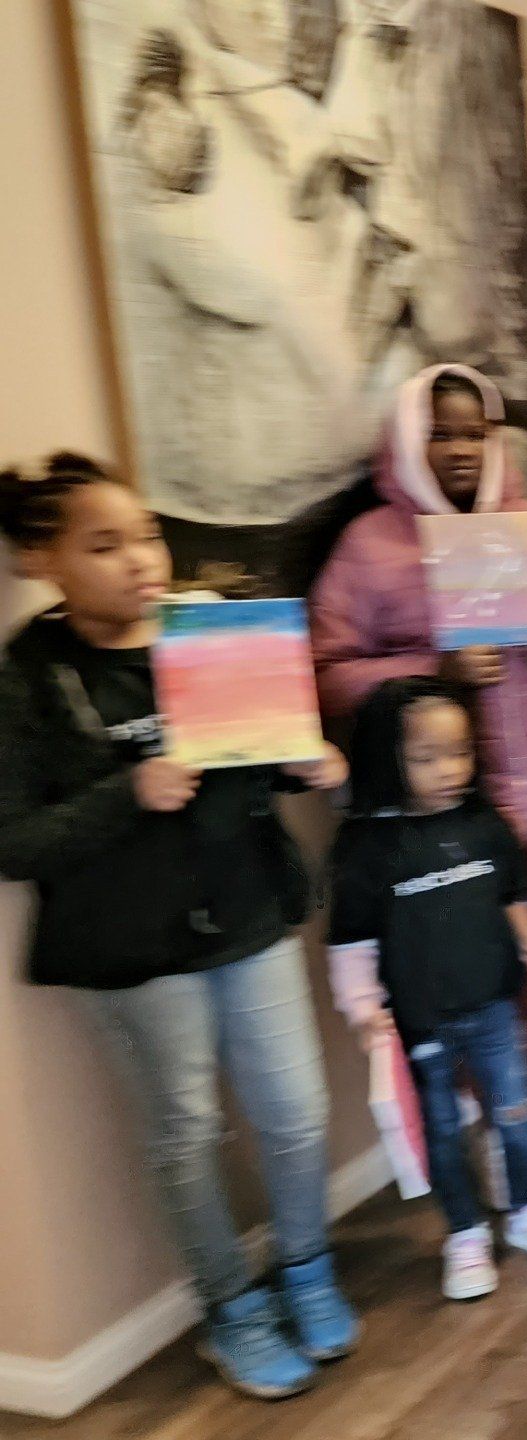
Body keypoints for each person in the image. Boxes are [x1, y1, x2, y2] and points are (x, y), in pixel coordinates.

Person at [0, 454, 358, 1399]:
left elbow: (261, 756)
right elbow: (14, 840)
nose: (140, 560)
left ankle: (308, 1271)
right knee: (186, 1131)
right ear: (42, 561)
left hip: (246, 913)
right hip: (133, 947)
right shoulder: (29, 678)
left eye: (147, 536)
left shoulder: (212, 630)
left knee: (295, 1112)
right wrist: (131, 791)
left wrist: (308, 761)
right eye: (104, 545)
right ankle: (231, 1311)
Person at [311, 363, 527, 1189]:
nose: (463, 448)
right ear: (407, 440)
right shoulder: (369, 546)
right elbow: (327, 672)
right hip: (439, 818)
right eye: (441, 433)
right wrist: (433, 668)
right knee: (462, 976)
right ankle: (485, 1123)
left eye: (476, 432)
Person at [326, 677, 527, 1302]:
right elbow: (351, 939)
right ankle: (464, 1234)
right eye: (427, 758)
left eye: (461, 752)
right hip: (421, 1021)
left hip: (494, 1006)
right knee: (442, 1131)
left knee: (516, 1114)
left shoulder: (484, 823)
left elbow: (511, 889)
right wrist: (363, 1010)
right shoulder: (365, 847)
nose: (450, 770)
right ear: (387, 760)